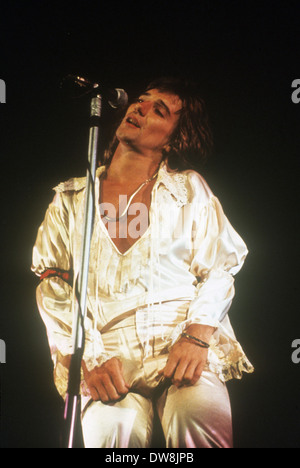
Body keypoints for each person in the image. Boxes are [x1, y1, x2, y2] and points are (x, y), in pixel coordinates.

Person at [31, 77, 254, 448]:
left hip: (179, 344)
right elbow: (53, 282)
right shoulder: (71, 199)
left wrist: (196, 335)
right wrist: (86, 356)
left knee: (196, 430)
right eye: (141, 101)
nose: (139, 108)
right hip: (108, 355)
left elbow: (221, 266)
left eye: (159, 110)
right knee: (112, 441)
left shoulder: (188, 189)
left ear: (174, 139)